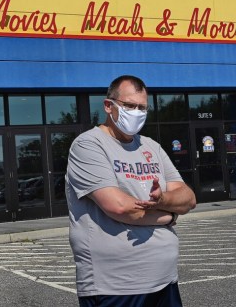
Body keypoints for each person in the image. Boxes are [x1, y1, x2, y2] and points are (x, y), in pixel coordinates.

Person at [66, 75, 197, 306]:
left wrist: (164, 198)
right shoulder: (88, 145)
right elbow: (119, 207)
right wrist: (170, 215)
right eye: (129, 106)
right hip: (116, 288)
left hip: (165, 281)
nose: (136, 112)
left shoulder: (150, 146)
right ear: (109, 106)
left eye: (142, 107)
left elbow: (188, 198)